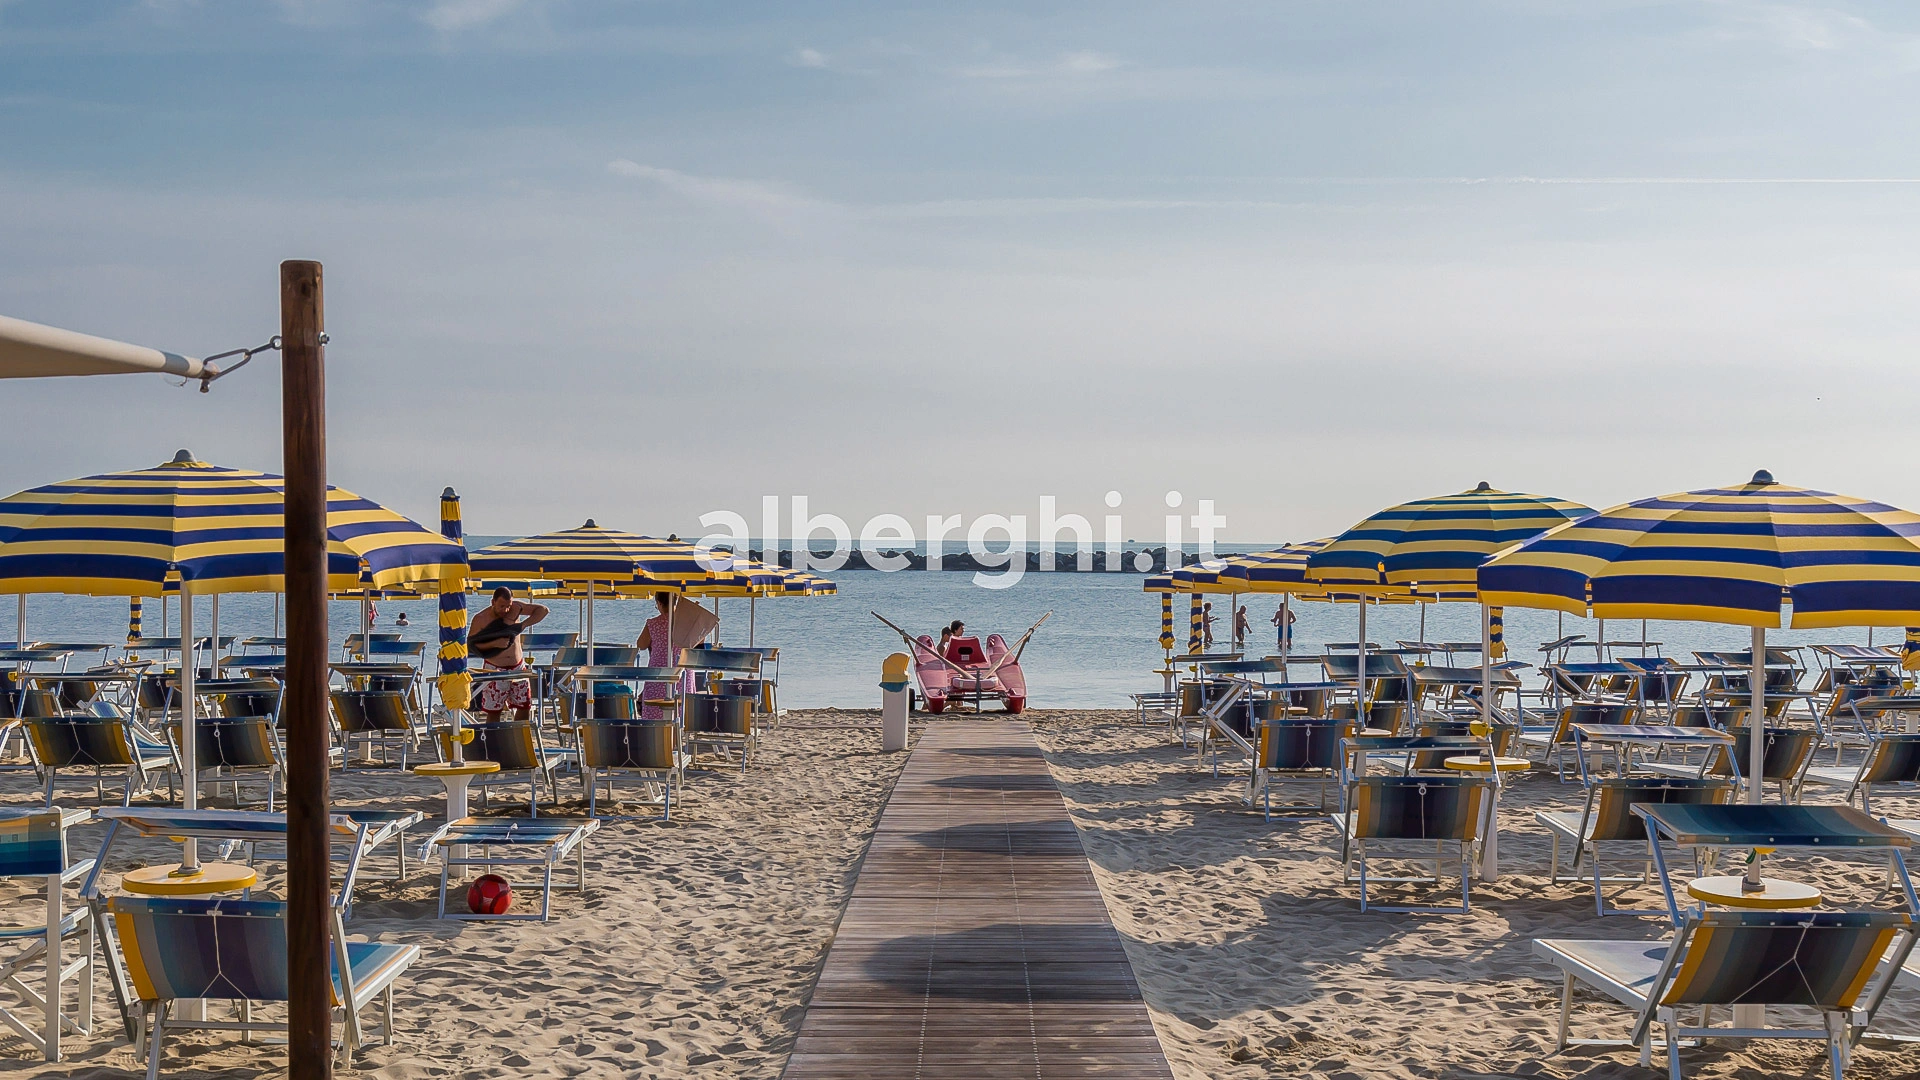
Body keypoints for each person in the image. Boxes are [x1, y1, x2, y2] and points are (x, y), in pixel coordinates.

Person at [468, 587, 549, 722]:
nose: (505, 610)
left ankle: (519, 733)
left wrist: (523, 625)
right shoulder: (480, 618)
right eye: (502, 606)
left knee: (524, 706)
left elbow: (543, 610)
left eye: (508, 606)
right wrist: (494, 644)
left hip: (518, 667)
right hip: (494, 668)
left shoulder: (516, 609)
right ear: (493, 602)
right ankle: (494, 734)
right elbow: (472, 645)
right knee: (494, 710)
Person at [636, 592, 691, 719]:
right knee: (682, 708)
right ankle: (679, 727)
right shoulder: (688, 622)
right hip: (682, 671)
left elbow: (641, 645)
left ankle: (658, 729)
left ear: (659, 603)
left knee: (655, 708)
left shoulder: (653, 623)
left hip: (659, 672)